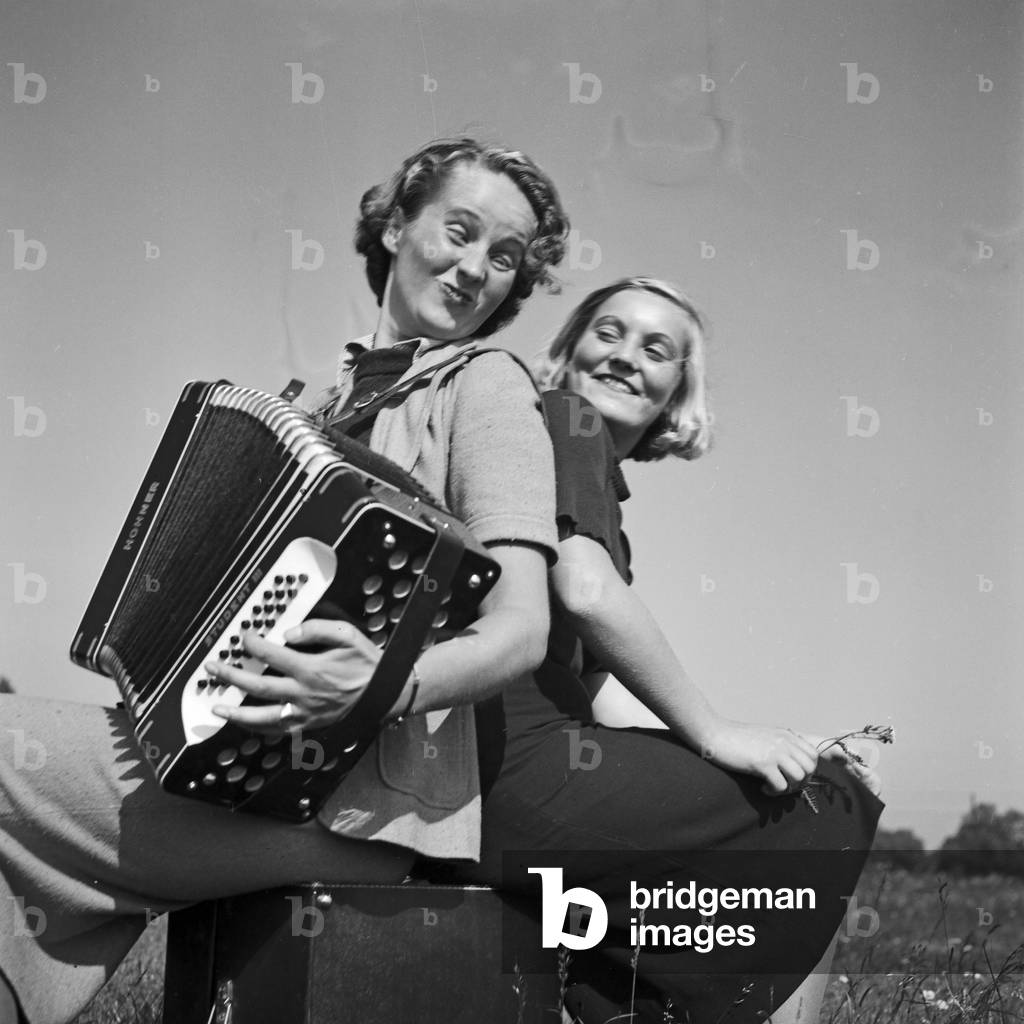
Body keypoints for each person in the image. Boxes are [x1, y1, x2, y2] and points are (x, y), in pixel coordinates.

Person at [0, 138, 569, 1024]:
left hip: (358, 805)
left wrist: (379, 685)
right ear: (394, 225)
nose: (474, 269)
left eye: (504, 257)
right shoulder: (316, 399)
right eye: (458, 232)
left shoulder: (488, 386)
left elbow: (522, 627)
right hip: (233, 761)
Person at [451, 278, 886, 1024]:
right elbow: (587, 590)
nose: (626, 357)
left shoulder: (580, 473)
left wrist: (750, 746)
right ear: (567, 352)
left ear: (677, 392)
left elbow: (597, 689)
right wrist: (716, 733)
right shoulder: (566, 418)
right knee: (832, 802)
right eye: (608, 333)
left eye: (656, 349)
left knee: (792, 783)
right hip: (517, 768)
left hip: (491, 776)